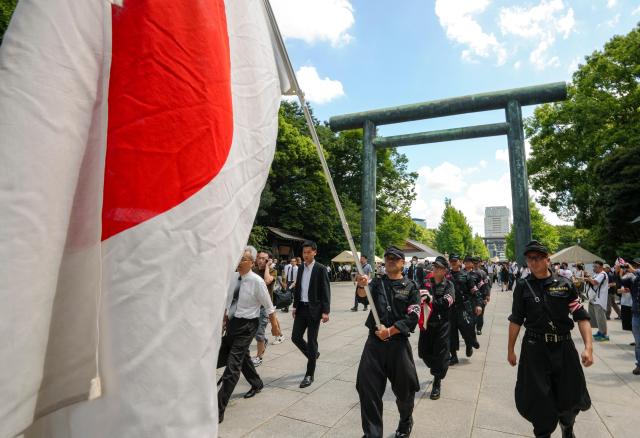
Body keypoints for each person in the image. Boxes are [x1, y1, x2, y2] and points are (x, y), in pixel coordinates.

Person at [507, 240, 593, 438]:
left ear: (548, 259)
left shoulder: (565, 285)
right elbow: (516, 319)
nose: (533, 262)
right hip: (534, 348)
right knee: (539, 398)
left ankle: (567, 425)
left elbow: (581, 315)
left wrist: (588, 347)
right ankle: (543, 433)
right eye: (530, 259)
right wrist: (510, 349)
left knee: (571, 395)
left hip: (563, 347)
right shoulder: (522, 286)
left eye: (537, 258)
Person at [355, 246, 421, 438]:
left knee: (405, 390)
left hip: (398, 345)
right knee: (367, 388)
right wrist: (361, 285)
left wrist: (390, 331)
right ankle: (372, 434)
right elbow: (362, 297)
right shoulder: (376, 282)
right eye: (387, 258)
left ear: (403, 263)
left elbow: (413, 317)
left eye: (395, 258)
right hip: (374, 344)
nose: (390, 261)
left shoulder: (411, 287)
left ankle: (405, 420)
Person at [217, 246, 282, 424]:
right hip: (232, 324)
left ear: (251, 263)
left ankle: (218, 408)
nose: (238, 262)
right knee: (232, 358)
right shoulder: (233, 278)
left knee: (232, 368)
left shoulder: (256, 281)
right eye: (238, 258)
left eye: (243, 259)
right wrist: (224, 318)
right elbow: (229, 300)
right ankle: (257, 383)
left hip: (247, 326)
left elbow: (269, 306)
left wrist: (275, 326)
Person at [291, 240, 331, 388]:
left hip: (315, 310)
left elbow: (326, 290)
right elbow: (298, 288)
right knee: (295, 337)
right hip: (301, 308)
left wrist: (326, 311)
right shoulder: (300, 268)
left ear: (314, 252)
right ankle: (313, 355)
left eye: (308, 252)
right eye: (304, 253)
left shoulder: (320, 269)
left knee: (312, 340)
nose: (306, 255)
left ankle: (309, 374)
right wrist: (295, 306)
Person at [418, 255, 454, 400]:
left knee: (440, 354)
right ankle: (438, 368)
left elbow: (447, 302)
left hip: (441, 325)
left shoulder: (449, 285)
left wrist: (431, 300)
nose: (436, 269)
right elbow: (418, 295)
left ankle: (437, 382)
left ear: (445, 270)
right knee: (423, 353)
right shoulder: (426, 282)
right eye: (435, 266)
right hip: (427, 323)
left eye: (439, 267)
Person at [448, 254, 482, 365]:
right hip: (450, 309)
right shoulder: (446, 275)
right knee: (451, 333)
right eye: (451, 261)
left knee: (467, 329)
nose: (453, 263)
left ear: (460, 261)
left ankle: (469, 344)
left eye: (455, 261)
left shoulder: (466, 275)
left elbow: (474, 290)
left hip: (463, 308)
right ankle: (453, 356)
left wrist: (478, 304)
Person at [251, 251, 280, 366]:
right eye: (259, 258)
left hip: (264, 308)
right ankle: (264, 341)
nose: (261, 260)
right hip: (253, 306)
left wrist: (267, 267)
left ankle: (259, 357)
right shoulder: (253, 271)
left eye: (264, 259)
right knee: (253, 331)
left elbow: (267, 281)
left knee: (259, 333)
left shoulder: (273, 271)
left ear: (268, 260)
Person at [618, 258, 640, 374]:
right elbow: (621, 282)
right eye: (635, 265)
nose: (636, 267)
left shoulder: (636, 273)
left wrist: (632, 270)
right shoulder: (632, 277)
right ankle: (639, 365)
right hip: (637, 313)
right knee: (638, 342)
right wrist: (620, 271)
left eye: (637, 265)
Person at [586, 260, 609, 341]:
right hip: (594, 299)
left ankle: (604, 334)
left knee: (600, 317)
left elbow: (595, 282)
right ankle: (600, 331)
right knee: (595, 317)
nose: (594, 268)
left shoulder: (603, 274)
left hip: (600, 299)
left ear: (601, 267)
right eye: (594, 266)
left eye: (596, 266)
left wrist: (588, 279)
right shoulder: (597, 274)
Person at [472, 256, 490, 336]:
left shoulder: (483, 273)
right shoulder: (468, 272)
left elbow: (486, 285)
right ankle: (471, 328)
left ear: (480, 263)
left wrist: (487, 295)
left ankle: (479, 328)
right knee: (472, 313)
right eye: (474, 263)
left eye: (477, 263)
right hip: (471, 296)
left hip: (481, 296)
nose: (475, 264)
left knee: (480, 314)